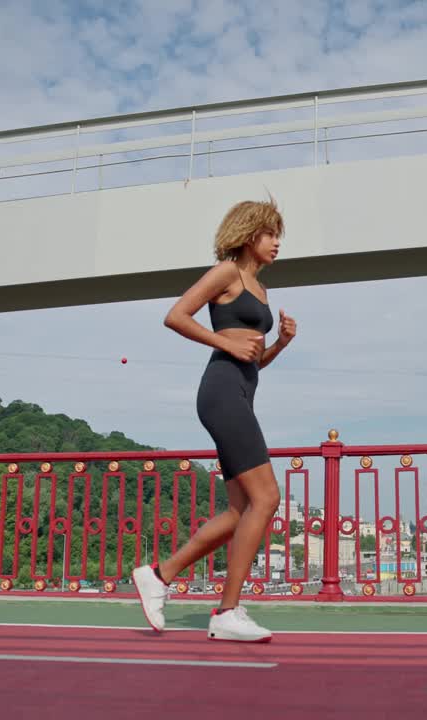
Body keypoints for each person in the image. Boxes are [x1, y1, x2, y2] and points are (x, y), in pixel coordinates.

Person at [131, 198, 297, 643]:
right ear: (248, 234)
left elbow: (252, 361)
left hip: (241, 390)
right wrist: (224, 345)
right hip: (221, 392)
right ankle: (227, 611)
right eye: (270, 233)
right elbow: (175, 316)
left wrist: (278, 344)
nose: (278, 242)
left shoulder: (260, 291)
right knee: (267, 498)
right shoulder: (226, 272)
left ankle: (158, 575)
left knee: (239, 509)